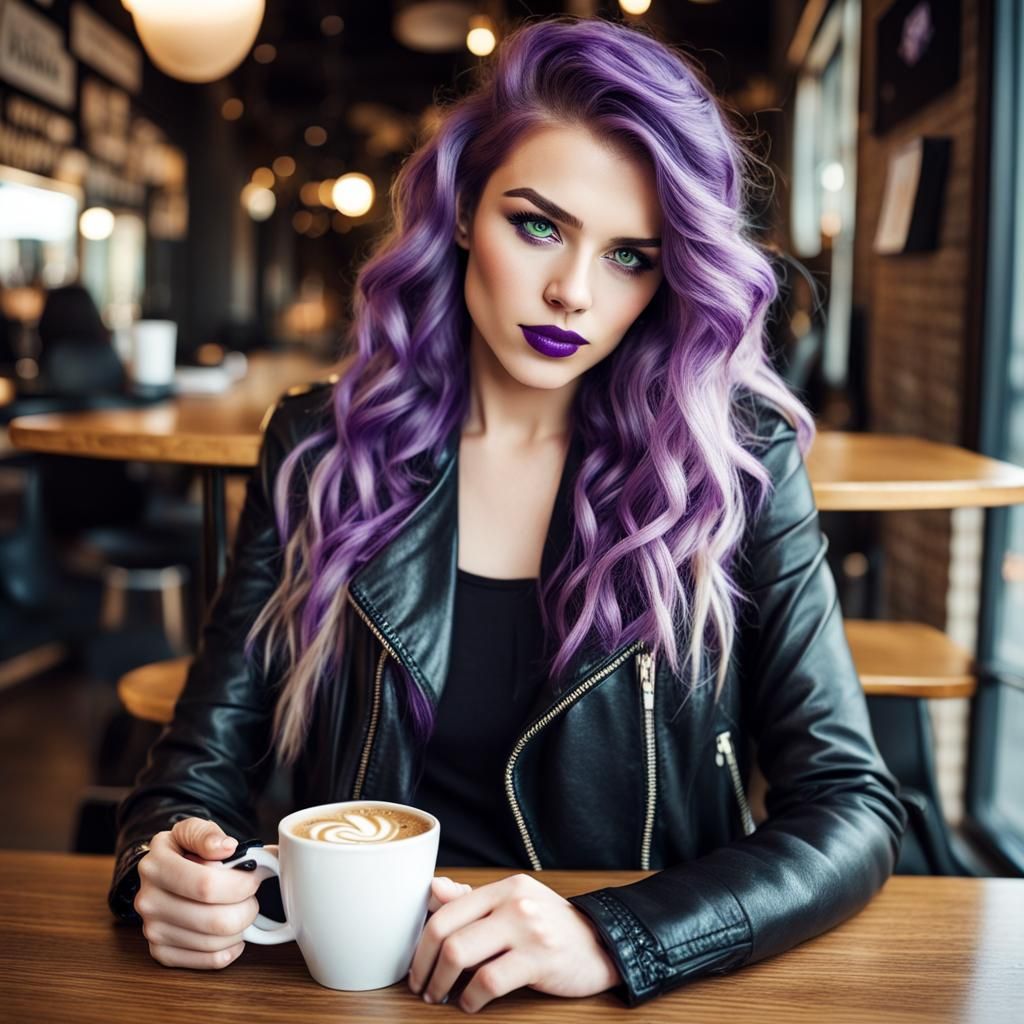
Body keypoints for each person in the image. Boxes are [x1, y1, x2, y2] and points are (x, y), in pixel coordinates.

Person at [108, 16, 905, 1012]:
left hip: (617, 998)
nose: (571, 291)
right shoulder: (321, 447)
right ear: (457, 212)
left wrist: (618, 935)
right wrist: (166, 859)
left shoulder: (735, 471)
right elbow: (200, 764)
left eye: (630, 257)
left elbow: (852, 807)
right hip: (362, 987)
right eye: (537, 224)